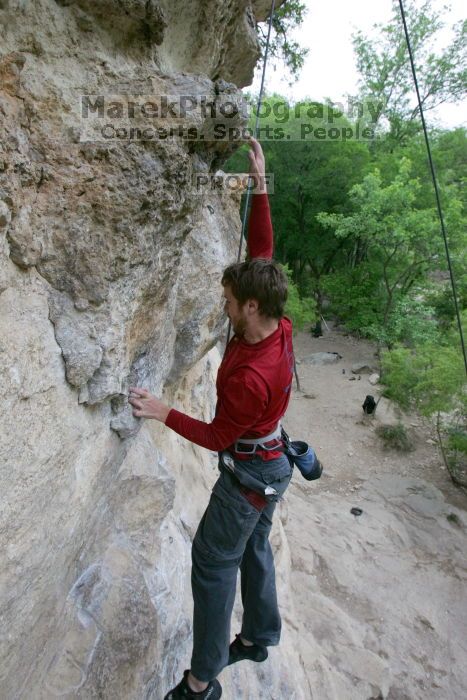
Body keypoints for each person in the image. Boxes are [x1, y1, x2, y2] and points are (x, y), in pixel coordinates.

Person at [129, 138, 295, 700]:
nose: (223, 306)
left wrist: (161, 410)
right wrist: (261, 184)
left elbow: (218, 435)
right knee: (255, 546)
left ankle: (201, 681)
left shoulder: (251, 377)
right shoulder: (273, 314)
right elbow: (263, 249)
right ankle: (261, 634)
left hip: (248, 475)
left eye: (228, 300)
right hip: (273, 467)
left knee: (212, 561)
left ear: (250, 306)